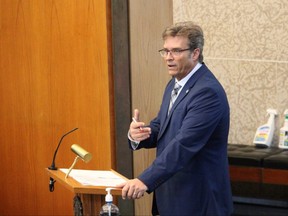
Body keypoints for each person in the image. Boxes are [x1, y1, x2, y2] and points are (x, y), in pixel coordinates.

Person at [117, 21, 233, 215]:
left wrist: (145, 180)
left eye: (176, 51)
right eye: (165, 51)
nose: (168, 58)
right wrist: (139, 134)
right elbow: (162, 126)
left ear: (195, 53)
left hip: (197, 201)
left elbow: (184, 144)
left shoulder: (207, 92)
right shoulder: (175, 83)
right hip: (172, 197)